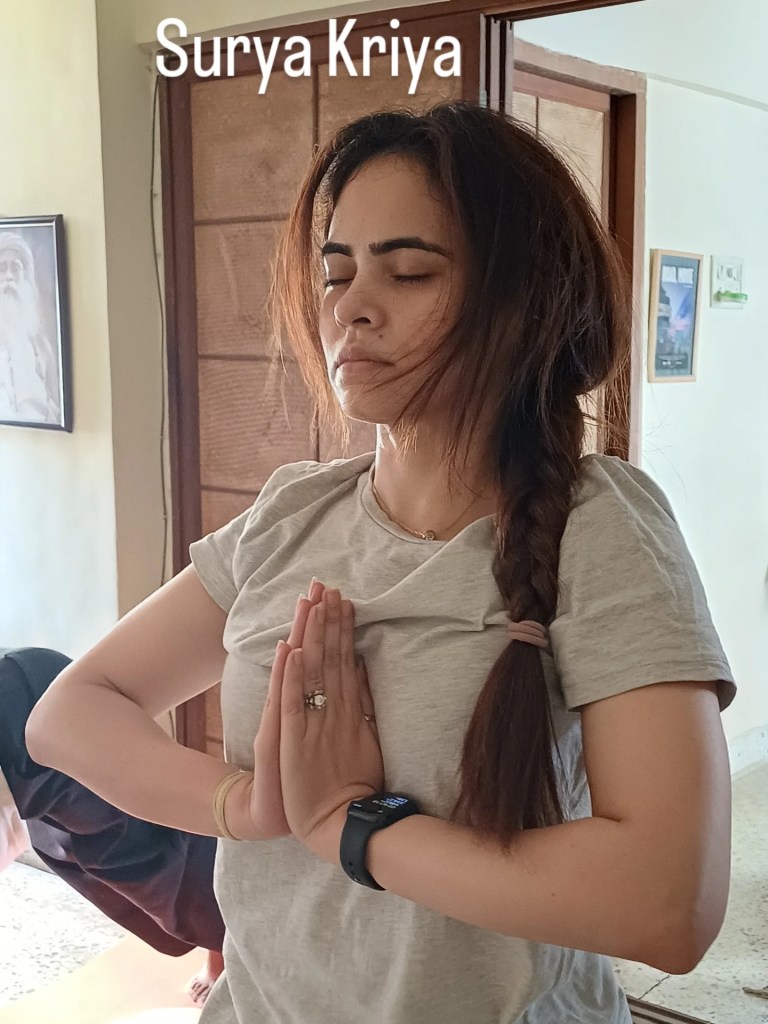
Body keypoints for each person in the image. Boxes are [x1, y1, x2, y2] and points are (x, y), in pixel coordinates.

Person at [26, 102, 736, 1024]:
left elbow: (668, 903)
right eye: (336, 273)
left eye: (409, 272)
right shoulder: (291, 513)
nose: (350, 307)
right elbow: (68, 714)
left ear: (523, 301)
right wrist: (248, 806)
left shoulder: (602, 528)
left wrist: (351, 828)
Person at [0, 646, 224, 1006]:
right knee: (88, 861)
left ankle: (226, 945)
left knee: (156, 855)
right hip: (26, 718)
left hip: (28, 710)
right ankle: (225, 940)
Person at [0, 232, 61, 424]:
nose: (9, 277)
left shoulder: (40, 347)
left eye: (15, 268)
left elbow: (59, 410)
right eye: (2, 268)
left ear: (25, 276)